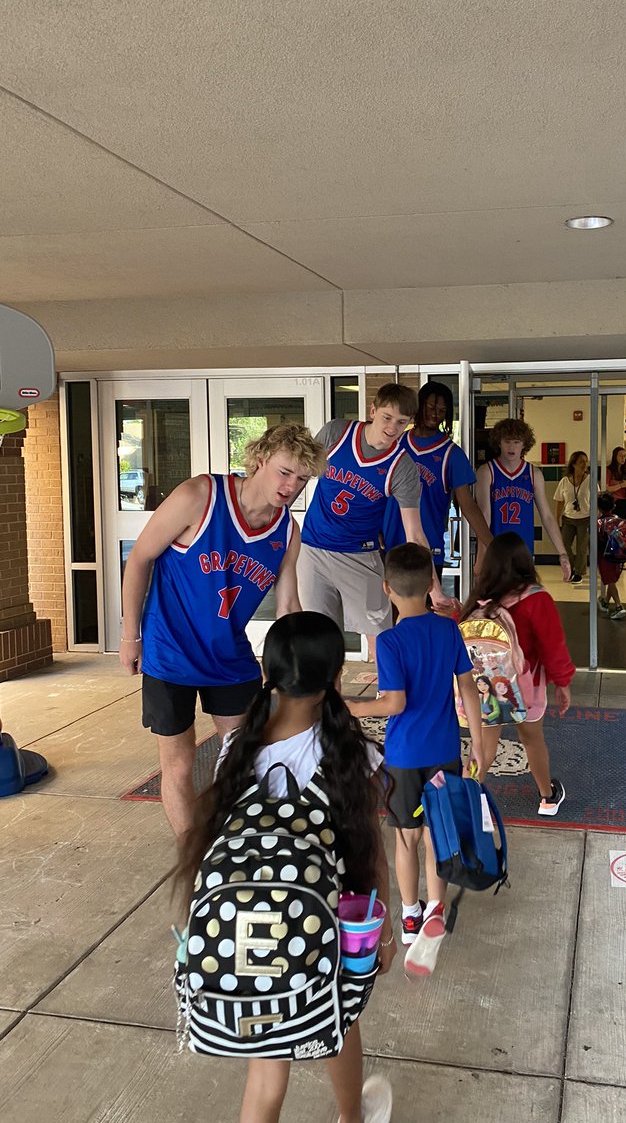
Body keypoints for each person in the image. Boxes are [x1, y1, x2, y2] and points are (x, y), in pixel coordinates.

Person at [175, 611, 396, 1123]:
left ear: (266, 673)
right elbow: (369, 854)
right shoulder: (348, 752)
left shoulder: (236, 747)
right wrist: (382, 934)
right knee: (339, 1019)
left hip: (244, 937)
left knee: (267, 1072)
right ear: (335, 678)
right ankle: (352, 1117)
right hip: (322, 924)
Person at [119, 423, 325, 838]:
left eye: (303, 479)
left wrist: (302, 670)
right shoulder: (200, 496)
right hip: (170, 652)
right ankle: (195, 857)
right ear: (260, 460)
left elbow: (288, 606)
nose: (292, 486)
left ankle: (233, 845)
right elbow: (139, 557)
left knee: (245, 757)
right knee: (179, 763)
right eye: (285, 472)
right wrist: (130, 636)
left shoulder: (287, 531)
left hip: (229, 656)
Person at [346, 543, 483, 978]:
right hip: (444, 752)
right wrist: (478, 744)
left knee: (406, 838)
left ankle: (409, 916)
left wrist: (350, 707)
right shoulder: (448, 631)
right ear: (429, 586)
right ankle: (435, 907)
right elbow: (469, 689)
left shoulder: (389, 641)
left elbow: (394, 703)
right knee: (437, 834)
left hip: (405, 757)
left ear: (387, 588)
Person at [300, 383, 453, 647]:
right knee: (317, 638)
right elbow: (299, 476)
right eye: (387, 417)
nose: (392, 428)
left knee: (381, 640)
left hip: (360, 555)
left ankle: (387, 678)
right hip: (313, 548)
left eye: (401, 422)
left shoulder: (403, 467)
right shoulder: (336, 433)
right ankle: (329, 677)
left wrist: (435, 591)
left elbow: (415, 534)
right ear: (373, 411)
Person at [459, 532, 574, 817]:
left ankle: (464, 801)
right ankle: (547, 797)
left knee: (483, 748)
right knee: (532, 740)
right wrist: (562, 683)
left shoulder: (479, 600)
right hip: (526, 687)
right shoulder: (536, 599)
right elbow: (553, 646)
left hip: (485, 687)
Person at [381, 380, 494, 579]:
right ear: (419, 406)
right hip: (391, 543)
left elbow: (467, 504)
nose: (435, 414)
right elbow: (376, 492)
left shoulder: (452, 454)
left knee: (427, 600)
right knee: (386, 600)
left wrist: (492, 546)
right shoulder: (395, 444)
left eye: (442, 411)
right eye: (431, 407)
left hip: (428, 548)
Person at [475, 418, 572, 582]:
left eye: (516, 442)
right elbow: (484, 516)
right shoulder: (486, 471)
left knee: (523, 597)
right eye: (507, 441)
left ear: (524, 444)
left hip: (524, 552)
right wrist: (481, 558)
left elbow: (547, 516)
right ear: (499, 442)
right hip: (496, 552)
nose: (511, 447)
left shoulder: (534, 474)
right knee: (497, 598)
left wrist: (562, 553)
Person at [554, 450, 591, 583]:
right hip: (568, 518)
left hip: (585, 518)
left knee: (581, 547)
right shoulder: (564, 481)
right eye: (581, 462)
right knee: (564, 545)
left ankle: (579, 572)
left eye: (586, 462)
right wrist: (556, 518)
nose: (584, 464)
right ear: (574, 464)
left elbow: (596, 499)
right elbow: (559, 501)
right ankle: (571, 569)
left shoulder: (590, 480)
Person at [597, 492, 626, 620]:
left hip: (605, 556)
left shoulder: (599, 523)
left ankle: (618, 606)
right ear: (614, 506)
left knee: (610, 581)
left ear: (599, 507)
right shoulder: (620, 521)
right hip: (619, 555)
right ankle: (605, 601)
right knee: (611, 578)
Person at [606, 446, 626, 526]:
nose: (623, 458)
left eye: (625, 456)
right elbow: (607, 488)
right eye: (620, 456)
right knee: (615, 526)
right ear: (615, 457)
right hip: (615, 502)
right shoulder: (608, 470)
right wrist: (621, 485)